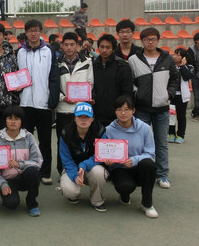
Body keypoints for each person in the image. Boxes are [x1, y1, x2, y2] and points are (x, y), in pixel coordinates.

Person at [128, 27, 179, 189]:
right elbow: (130, 81)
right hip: (141, 108)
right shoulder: (134, 59)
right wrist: (137, 95)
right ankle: (141, 172)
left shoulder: (167, 58)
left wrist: (168, 94)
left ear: (158, 40)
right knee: (140, 143)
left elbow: (175, 79)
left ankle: (162, 174)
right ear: (142, 41)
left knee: (161, 143)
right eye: (146, 39)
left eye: (153, 39)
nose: (150, 42)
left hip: (162, 108)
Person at [17, 19, 60, 185]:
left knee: (45, 141)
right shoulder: (20, 52)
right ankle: (26, 170)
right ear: (25, 33)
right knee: (25, 140)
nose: (33, 33)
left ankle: (45, 172)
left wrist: (52, 101)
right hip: (25, 103)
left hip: (44, 104)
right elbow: (16, 76)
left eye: (36, 30)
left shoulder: (49, 51)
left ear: (41, 31)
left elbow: (54, 77)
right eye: (30, 31)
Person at [104, 95, 159, 218]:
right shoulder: (108, 130)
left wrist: (134, 160)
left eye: (127, 109)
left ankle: (147, 204)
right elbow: (105, 152)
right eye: (119, 110)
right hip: (120, 168)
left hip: (140, 167)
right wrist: (107, 160)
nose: (123, 113)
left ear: (133, 110)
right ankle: (124, 195)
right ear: (115, 111)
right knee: (125, 186)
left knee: (149, 165)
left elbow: (150, 153)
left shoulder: (145, 128)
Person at [0, 106, 43, 216]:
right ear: (5, 120)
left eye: (17, 119)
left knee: (34, 172)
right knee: (11, 204)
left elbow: (38, 161)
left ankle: (32, 203)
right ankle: (9, 196)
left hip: (26, 176)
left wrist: (20, 164)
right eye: (10, 118)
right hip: (8, 180)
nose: (13, 122)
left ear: (21, 121)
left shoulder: (29, 137)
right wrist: (2, 184)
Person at [55, 32, 94, 175]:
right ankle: (63, 171)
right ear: (62, 46)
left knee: (82, 141)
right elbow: (53, 85)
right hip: (63, 109)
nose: (69, 48)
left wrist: (83, 97)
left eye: (72, 45)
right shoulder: (56, 63)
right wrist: (63, 98)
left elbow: (90, 83)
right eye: (66, 45)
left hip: (81, 109)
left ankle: (83, 170)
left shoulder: (87, 62)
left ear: (78, 46)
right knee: (63, 140)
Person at [59, 103, 108, 212]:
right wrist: (75, 176)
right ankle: (73, 195)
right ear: (74, 118)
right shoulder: (66, 133)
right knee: (70, 192)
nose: (83, 119)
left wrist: (84, 165)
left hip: (92, 167)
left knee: (99, 173)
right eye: (80, 116)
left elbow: (99, 155)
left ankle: (97, 200)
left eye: (87, 117)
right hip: (73, 168)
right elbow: (66, 160)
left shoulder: (100, 131)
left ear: (92, 119)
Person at [92, 34, 133, 127]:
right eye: (102, 47)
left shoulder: (122, 66)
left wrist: (122, 110)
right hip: (97, 114)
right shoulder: (93, 65)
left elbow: (127, 92)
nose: (104, 50)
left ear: (113, 49)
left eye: (108, 47)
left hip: (116, 114)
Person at [168, 48, 193, 144]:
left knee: (181, 116)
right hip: (171, 95)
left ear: (183, 57)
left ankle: (180, 135)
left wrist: (182, 65)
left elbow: (187, 77)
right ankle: (171, 134)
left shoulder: (189, 67)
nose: (175, 57)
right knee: (171, 115)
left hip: (182, 96)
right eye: (174, 54)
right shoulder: (170, 66)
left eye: (178, 55)